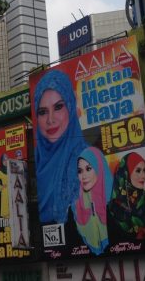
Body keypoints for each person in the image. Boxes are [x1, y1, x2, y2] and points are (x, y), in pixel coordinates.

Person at [34, 69, 88, 224]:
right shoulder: (36, 160)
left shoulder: (86, 160)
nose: (50, 119)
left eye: (58, 107)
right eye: (43, 112)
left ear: (70, 108)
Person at [72, 147, 113, 255]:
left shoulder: (116, 196)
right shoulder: (76, 203)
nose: (84, 176)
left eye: (89, 168)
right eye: (80, 171)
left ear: (99, 167)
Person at [108, 152, 145, 240]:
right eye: (138, 170)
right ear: (126, 173)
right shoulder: (113, 207)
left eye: (144, 170)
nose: (144, 176)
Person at [0, 153, 10, 218]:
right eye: (4, 160)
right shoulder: (0, 171)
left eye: (7, 159)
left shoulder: (11, 169)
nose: (6, 161)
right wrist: (1, 187)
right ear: (1, 161)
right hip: (5, 193)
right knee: (6, 215)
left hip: (13, 192)